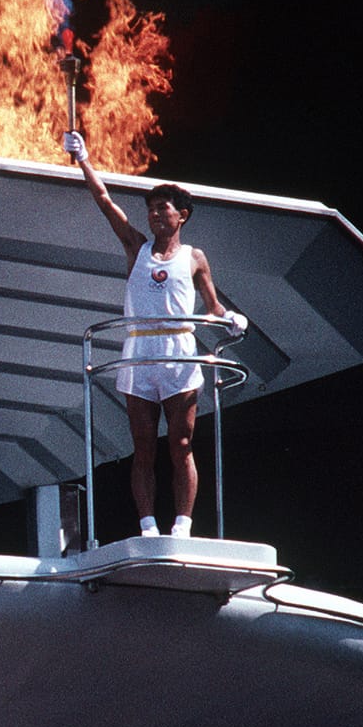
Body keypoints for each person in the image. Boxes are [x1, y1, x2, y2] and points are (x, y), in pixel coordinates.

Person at [62, 130, 243, 537]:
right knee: (142, 448)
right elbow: (104, 202)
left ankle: (182, 526)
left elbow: (213, 307)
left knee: (180, 445)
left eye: (163, 209)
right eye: (150, 211)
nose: (155, 216)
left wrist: (232, 318)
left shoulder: (195, 258)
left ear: (183, 215)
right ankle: (147, 527)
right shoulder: (137, 248)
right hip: (140, 353)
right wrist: (84, 160)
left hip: (179, 353)